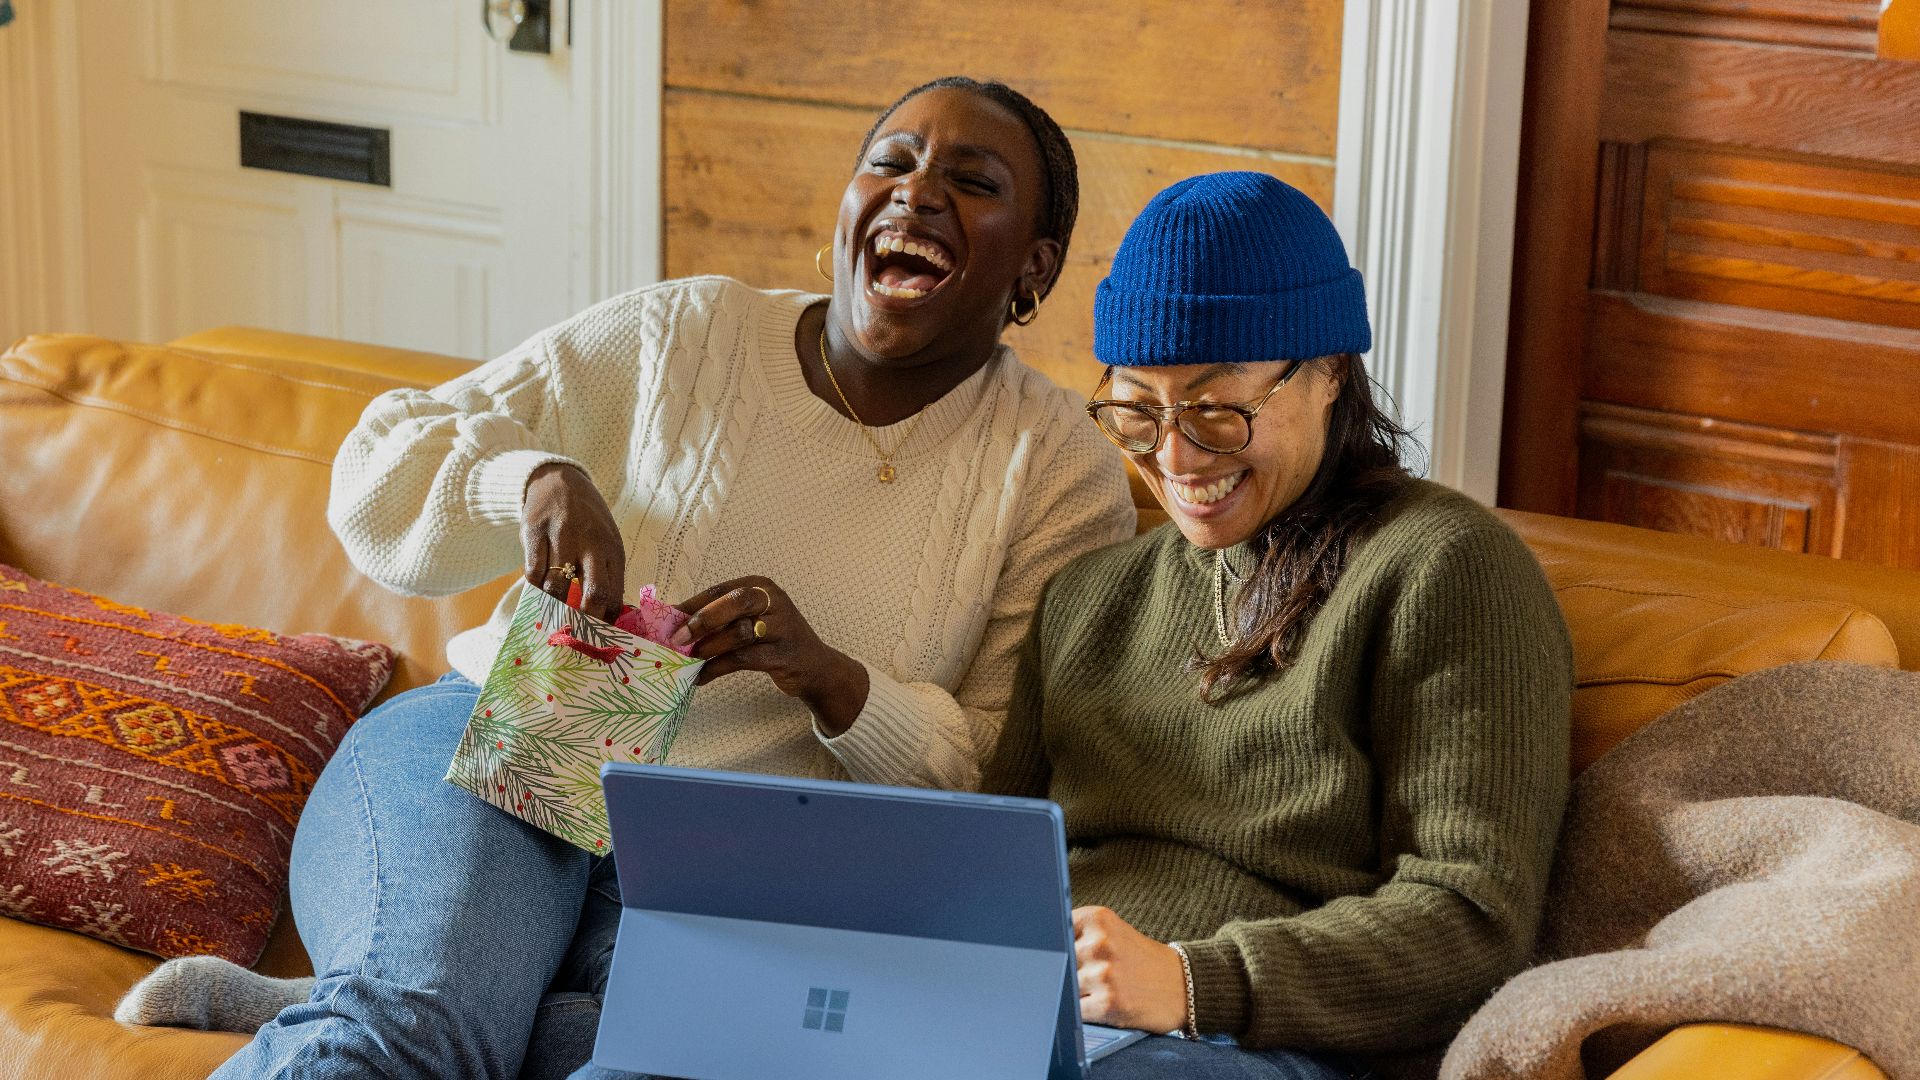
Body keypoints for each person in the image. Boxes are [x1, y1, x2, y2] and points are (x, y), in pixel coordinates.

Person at [114, 76, 1136, 1080]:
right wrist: (529, 481)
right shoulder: (685, 337)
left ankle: (421, 993)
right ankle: (414, 995)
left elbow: (1000, 780)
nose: (918, 192)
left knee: (603, 1058)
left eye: (972, 180)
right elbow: (377, 471)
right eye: (893, 162)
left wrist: (835, 681)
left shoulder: (1056, 470)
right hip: (513, 742)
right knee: (417, 1029)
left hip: (738, 863)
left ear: (1033, 270)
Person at [981, 172, 1574, 1078]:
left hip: (1254, 1040)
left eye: (1217, 410)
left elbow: (1471, 914)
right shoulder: (1085, 600)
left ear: (1330, 370)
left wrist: (1191, 981)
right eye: (1138, 410)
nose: (1174, 459)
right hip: (1037, 1018)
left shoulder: (1443, 567)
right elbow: (990, 870)